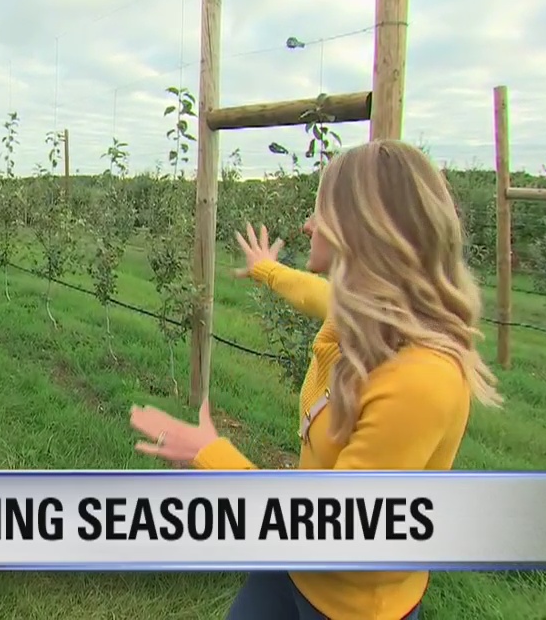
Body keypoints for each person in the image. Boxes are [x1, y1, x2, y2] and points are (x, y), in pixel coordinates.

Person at [129, 140, 503, 620]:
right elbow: (315, 294)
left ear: (363, 229)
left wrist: (207, 452)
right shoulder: (371, 316)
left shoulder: (422, 381)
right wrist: (266, 270)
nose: (307, 224)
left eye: (320, 211)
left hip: (352, 602)